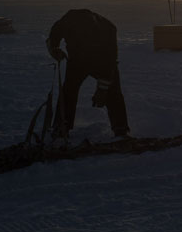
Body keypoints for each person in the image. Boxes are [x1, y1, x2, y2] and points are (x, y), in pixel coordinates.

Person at [46, 9, 130, 138]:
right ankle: (61, 127)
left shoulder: (108, 30)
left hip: (101, 61)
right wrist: (54, 49)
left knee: (112, 91)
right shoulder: (67, 21)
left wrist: (102, 89)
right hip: (76, 61)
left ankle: (121, 129)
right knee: (68, 91)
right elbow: (54, 36)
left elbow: (110, 63)